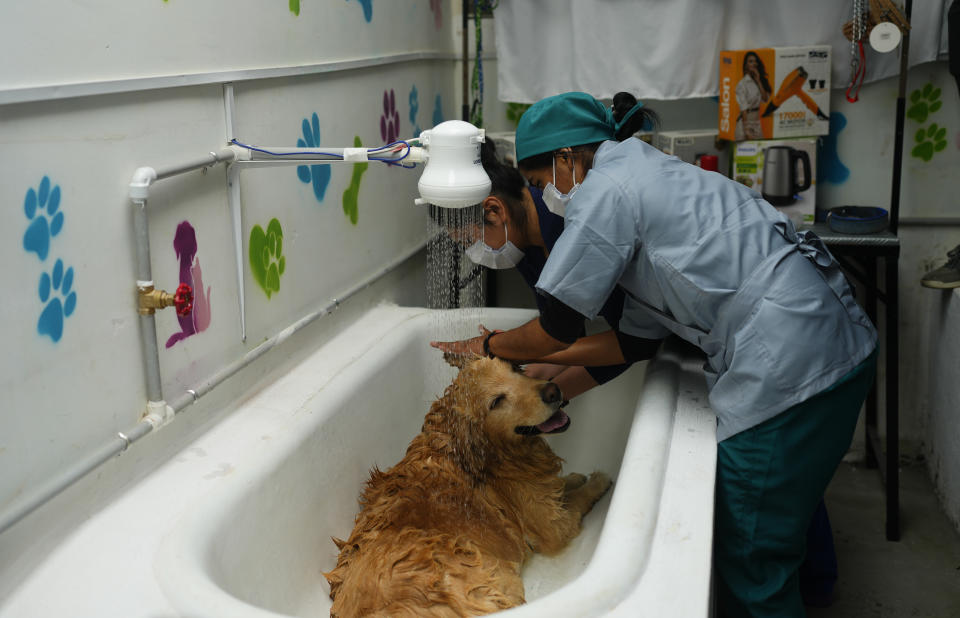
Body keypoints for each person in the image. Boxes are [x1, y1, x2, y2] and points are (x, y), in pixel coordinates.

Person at [432, 91, 878, 617]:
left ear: (567, 159)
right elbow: (635, 339)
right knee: (774, 521)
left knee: (751, 550)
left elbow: (557, 327)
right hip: (821, 335)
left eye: (538, 182)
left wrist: (487, 346)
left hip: (792, 357)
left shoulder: (606, 192)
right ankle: (813, 590)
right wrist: (545, 380)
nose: (542, 196)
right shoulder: (639, 172)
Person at [455, 121, 649, 400]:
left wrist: (499, 346)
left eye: (467, 242)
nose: (473, 253)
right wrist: (539, 377)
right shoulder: (525, 246)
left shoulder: (576, 226)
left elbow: (632, 341)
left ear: (495, 211)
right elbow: (566, 333)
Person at [736, 51, 771, 140]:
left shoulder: (758, 80)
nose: (754, 63)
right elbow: (743, 109)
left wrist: (758, 80)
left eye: (755, 61)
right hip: (747, 120)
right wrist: (746, 130)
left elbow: (765, 99)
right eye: (750, 61)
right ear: (746, 65)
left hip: (756, 121)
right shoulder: (742, 84)